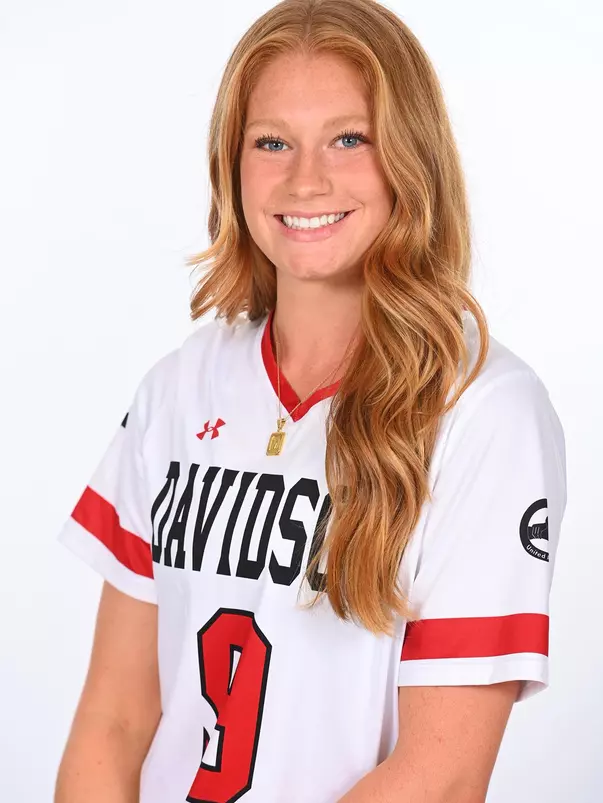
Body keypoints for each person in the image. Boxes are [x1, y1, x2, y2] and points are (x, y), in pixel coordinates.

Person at [53, 1, 567, 801]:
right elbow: (114, 719)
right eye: (271, 142)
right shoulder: (177, 387)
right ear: (230, 164)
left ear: (411, 157)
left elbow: (440, 776)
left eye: (348, 138)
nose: (305, 179)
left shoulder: (483, 409)